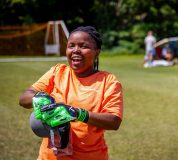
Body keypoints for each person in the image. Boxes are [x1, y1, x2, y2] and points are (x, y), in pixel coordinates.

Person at [19, 26, 123, 160]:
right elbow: (24, 98)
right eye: (71, 45)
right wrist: (38, 97)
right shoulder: (57, 72)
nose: (76, 50)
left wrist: (77, 113)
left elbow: (114, 121)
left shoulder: (108, 81)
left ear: (97, 52)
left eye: (83, 46)